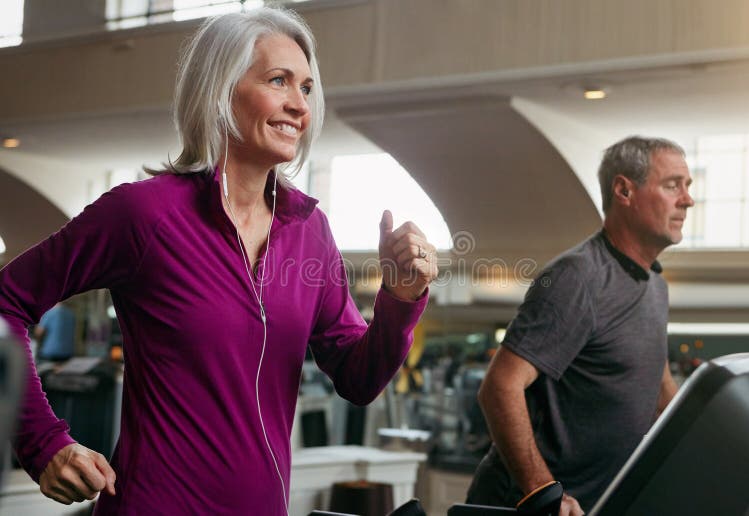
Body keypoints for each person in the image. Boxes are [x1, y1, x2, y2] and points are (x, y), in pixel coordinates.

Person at [0, 7, 437, 515]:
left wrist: (402, 298)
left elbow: (359, 380)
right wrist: (42, 442)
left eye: (308, 89)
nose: (299, 105)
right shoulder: (145, 214)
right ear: (220, 89)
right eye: (279, 81)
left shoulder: (309, 232)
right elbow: (6, 302)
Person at [466, 136, 692, 514]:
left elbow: (657, 384)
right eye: (672, 186)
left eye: (687, 187)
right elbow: (500, 386)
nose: (687, 199)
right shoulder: (579, 277)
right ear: (624, 190)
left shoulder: (655, 285)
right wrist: (543, 493)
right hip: (526, 506)